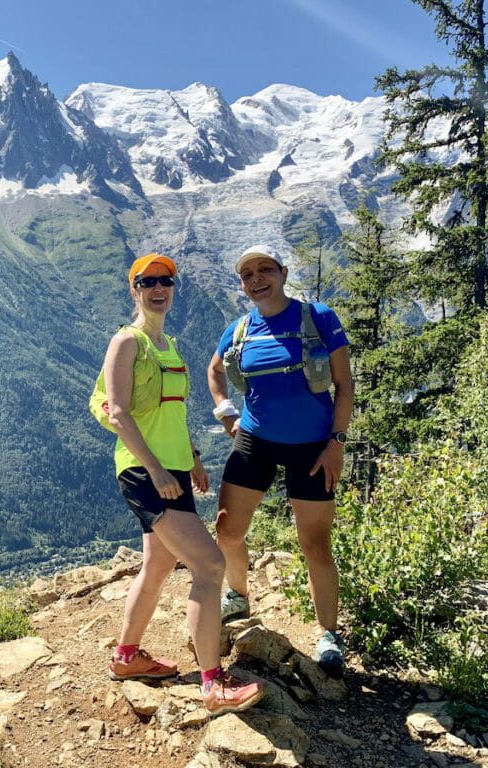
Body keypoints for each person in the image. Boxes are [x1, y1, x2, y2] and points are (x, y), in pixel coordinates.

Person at [101, 252, 265, 715]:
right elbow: (117, 412)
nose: (158, 288)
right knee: (210, 566)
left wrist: (190, 459)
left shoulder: (168, 345)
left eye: (165, 281)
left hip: (171, 468)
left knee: (156, 566)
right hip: (143, 469)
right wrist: (154, 468)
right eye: (147, 281)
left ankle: (127, 657)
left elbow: (172, 412)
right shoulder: (127, 342)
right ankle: (212, 685)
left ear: (173, 288)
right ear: (133, 289)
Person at [207, 244, 353, 677]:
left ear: (283, 273)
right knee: (227, 529)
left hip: (313, 446)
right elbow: (216, 371)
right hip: (255, 439)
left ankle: (329, 634)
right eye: (247, 273)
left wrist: (337, 443)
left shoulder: (319, 318)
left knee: (314, 544)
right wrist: (226, 412)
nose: (256, 279)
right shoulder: (239, 329)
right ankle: (237, 595)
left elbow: (344, 385)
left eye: (264, 269)